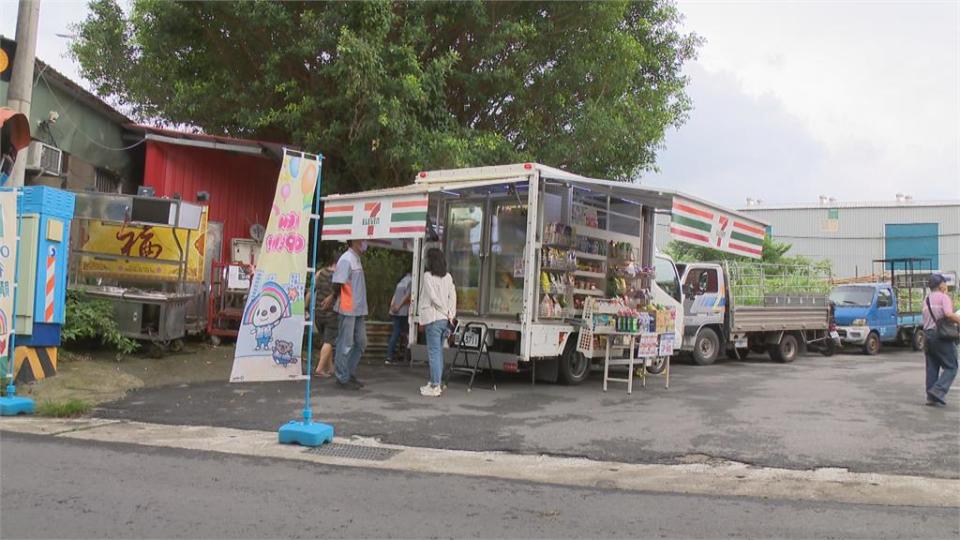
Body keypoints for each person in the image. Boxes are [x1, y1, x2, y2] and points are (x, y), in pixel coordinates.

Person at [324, 239, 369, 390]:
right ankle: (342, 377)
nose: (365, 242)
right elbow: (338, 282)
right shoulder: (346, 259)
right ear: (355, 241)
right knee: (346, 343)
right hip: (348, 307)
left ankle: (347, 373)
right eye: (363, 240)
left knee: (361, 342)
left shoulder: (356, 259)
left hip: (358, 308)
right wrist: (332, 297)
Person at [417, 248, 457, 397]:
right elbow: (453, 296)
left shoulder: (427, 276)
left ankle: (435, 386)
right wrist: (450, 314)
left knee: (434, 353)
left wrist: (444, 309)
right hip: (444, 320)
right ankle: (436, 382)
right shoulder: (448, 277)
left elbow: (433, 297)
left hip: (433, 318)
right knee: (438, 351)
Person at [921, 273, 960, 406]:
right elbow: (948, 314)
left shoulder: (926, 299)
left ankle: (930, 397)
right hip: (941, 336)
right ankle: (938, 391)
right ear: (941, 284)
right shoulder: (944, 297)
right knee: (952, 366)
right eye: (944, 283)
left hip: (927, 336)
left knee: (932, 366)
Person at [308, 260, 338, 377]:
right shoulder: (339, 275)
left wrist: (306, 306)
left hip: (319, 313)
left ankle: (330, 368)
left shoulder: (319, 273)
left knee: (326, 341)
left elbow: (311, 291)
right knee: (329, 341)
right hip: (332, 313)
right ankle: (319, 369)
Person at [385, 271, 412, 365]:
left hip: (395, 311)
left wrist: (392, 306)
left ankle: (389, 356)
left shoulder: (400, 282)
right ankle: (406, 356)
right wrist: (399, 306)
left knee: (395, 333)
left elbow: (395, 296)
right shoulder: (411, 281)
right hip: (403, 311)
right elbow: (407, 296)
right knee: (407, 334)